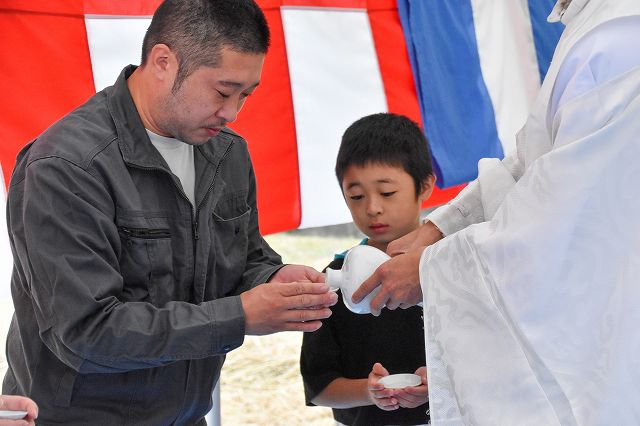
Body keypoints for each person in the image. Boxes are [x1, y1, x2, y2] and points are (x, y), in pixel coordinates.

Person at [1, 1, 337, 424]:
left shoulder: (228, 152)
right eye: (222, 91)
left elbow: (242, 256)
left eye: (246, 95)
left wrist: (272, 276)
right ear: (163, 61)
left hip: (186, 415)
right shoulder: (67, 166)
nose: (232, 113)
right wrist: (241, 315)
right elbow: (84, 333)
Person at [353, 0, 640, 424]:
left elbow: (564, 211)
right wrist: (438, 227)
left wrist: (430, 268)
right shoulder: (588, 21)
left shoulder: (621, 34)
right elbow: (530, 159)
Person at [300, 113, 432, 426]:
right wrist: (370, 392)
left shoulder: (452, 266)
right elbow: (319, 385)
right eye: (356, 196)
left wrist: (439, 384)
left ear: (424, 186)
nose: (372, 207)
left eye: (387, 193)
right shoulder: (335, 278)